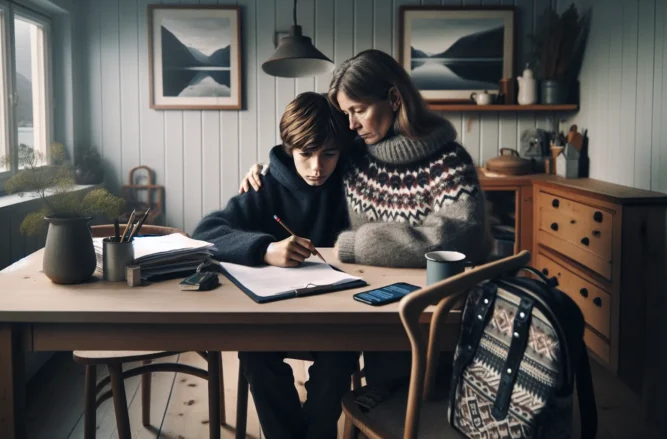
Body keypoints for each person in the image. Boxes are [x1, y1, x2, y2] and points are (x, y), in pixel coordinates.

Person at [239, 49, 492, 387]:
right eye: (345, 113)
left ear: (394, 98)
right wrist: (268, 172)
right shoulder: (356, 155)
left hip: (433, 315)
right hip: (367, 307)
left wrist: (357, 243)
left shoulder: (448, 159)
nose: (351, 124)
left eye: (358, 110)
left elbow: (461, 237)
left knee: (404, 395)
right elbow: (308, 151)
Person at [192, 92, 360, 439]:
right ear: (288, 148)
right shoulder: (264, 186)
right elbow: (205, 233)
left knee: (340, 356)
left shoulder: (354, 181)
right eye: (306, 154)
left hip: (337, 314)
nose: (317, 167)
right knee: (256, 354)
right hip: (273, 313)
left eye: (329, 154)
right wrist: (265, 249)